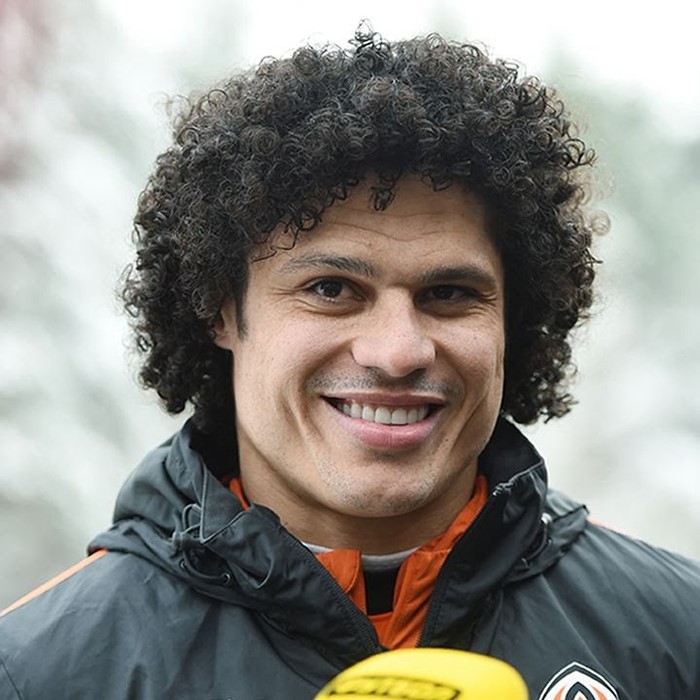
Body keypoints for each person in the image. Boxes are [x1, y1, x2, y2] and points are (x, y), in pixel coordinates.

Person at [1, 27, 698, 700]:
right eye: (331, 290)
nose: (397, 352)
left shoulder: (679, 636)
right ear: (220, 311)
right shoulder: (35, 674)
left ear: (514, 319)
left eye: (449, 293)